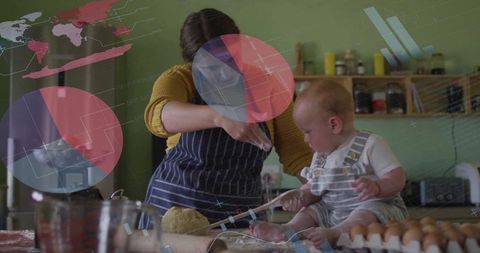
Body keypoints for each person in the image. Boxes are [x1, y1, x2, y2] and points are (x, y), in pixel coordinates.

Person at [139, 8, 312, 228]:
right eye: (211, 67)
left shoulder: (268, 87)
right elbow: (159, 117)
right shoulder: (179, 79)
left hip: (238, 214)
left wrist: (326, 187)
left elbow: (297, 153)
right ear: (192, 62)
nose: (224, 73)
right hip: (175, 211)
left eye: (231, 60)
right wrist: (219, 116)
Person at [251, 81, 408, 248]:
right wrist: (302, 196)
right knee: (312, 210)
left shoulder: (371, 144)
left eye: (307, 132)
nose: (305, 139)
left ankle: (336, 235)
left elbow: (397, 177)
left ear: (333, 125)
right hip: (336, 211)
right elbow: (315, 188)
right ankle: (289, 230)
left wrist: (377, 186)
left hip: (375, 209)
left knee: (366, 212)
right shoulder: (320, 157)